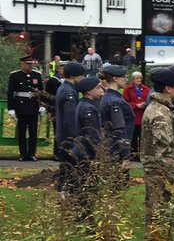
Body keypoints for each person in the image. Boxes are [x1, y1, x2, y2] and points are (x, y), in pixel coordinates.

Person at [141, 66, 174, 241]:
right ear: (168, 88)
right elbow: (164, 151)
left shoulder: (164, 109)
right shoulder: (160, 114)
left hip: (159, 174)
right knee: (158, 219)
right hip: (160, 175)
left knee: (161, 219)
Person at [64, 76, 105, 219]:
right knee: (87, 185)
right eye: (98, 87)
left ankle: (81, 213)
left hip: (81, 150)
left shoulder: (84, 104)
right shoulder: (88, 108)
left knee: (82, 184)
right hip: (86, 152)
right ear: (89, 91)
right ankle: (84, 215)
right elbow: (92, 134)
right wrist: (98, 154)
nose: (102, 90)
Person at [7, 54, 46, 161]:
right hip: (21, 106)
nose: (29, 66)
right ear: (22, 64)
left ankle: (32, 153)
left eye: (31, 64)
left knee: (33, 131)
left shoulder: (36, 75)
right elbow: (10, 93)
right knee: (22, 131)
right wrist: (11, 108)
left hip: (33, 106)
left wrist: (42, 105)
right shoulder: (15, 75)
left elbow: (41, 91)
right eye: (27, 64)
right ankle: (23, 154)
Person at [97, 65, 134, 166]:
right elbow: (119, 129)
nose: (126, 79)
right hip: (116, 151)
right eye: (124, 76)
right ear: (115, 78)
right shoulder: (115, 101)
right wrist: (126, 155)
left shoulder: (109, 97)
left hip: (110, 147)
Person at [54, 61, 86, 164]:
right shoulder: (69, 92)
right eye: (81, 76)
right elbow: (70, 117)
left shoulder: (64, 88)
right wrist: (75, 139)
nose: (83, 78)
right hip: (68, 138)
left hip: (64, 137)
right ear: (73, 75)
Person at [123, 71, 151, 159]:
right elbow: (125, 102)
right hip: (133, 116)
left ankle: (143, 155)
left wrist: (145, 104)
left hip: (143, 115)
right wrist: (135, 105)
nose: (139, 80)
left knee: (143, 137)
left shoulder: (146, 89)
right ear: (133, 79)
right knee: (133, 137)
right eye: (137, 78)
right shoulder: (128, 89)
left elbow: (149, 99)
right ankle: (133, 155)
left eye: (140, 78)